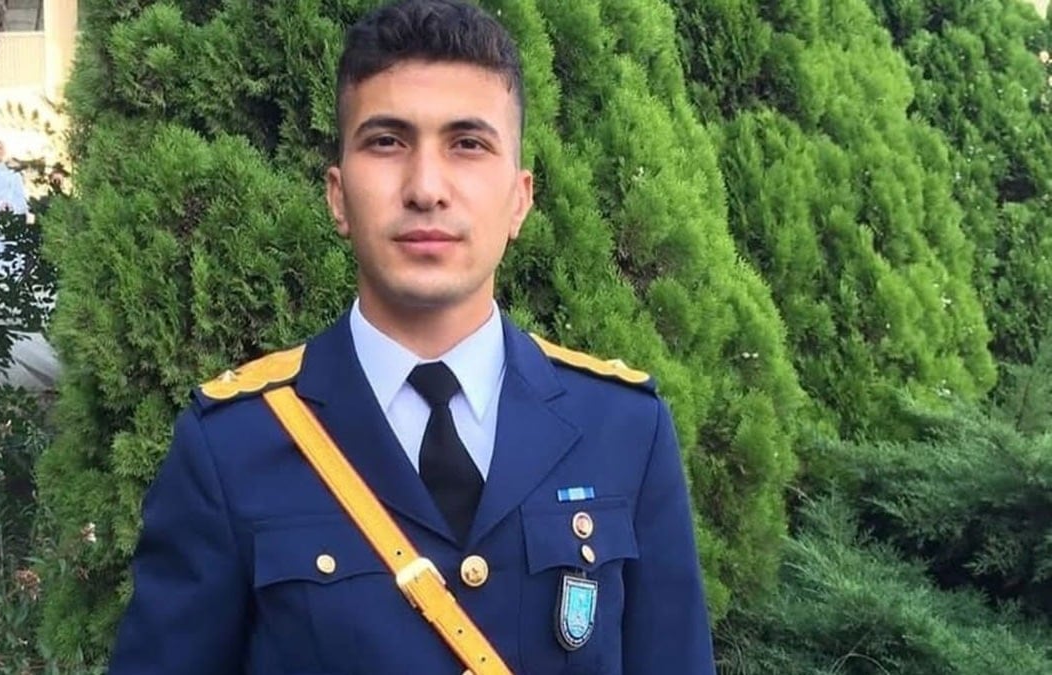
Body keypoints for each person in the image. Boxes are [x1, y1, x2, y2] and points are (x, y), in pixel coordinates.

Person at [109, 1, 715, 673]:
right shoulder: (233, 445)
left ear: (520, 199)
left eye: (468, 144)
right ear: (338, 196)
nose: (426, 188)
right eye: (387, 142)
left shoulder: (622, 429)